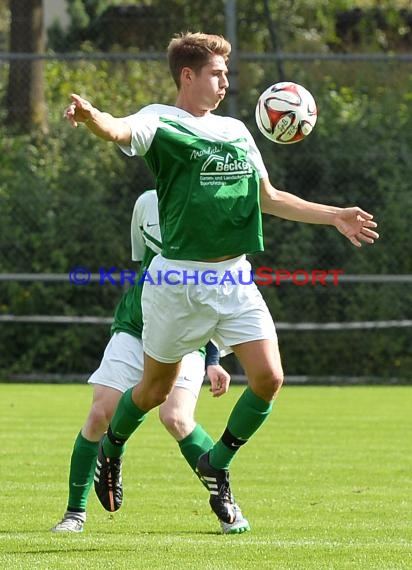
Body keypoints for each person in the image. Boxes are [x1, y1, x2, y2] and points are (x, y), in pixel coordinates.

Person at [64, 32, 379, 525]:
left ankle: (217, 462)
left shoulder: (236, 130)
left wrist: (334, 214)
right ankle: (113, 445)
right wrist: (92, 120)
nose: (225, 82)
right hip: (175, 285)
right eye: (216, 73)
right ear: (187, 76)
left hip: (234, 279)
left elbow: (268, 198)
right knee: (151, 392)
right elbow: (120, 130)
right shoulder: (160, 121)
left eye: (226, 73)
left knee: (270, 378)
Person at [51, 189, 250, 535]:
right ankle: (74, 513)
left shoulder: (217, 208)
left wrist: (214, 357)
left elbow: (222, 290)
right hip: (135, 327)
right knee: (101, 413)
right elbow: (145, 265)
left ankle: (226, 505)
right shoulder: (146, 203)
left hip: (186, 335)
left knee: (175, 417)